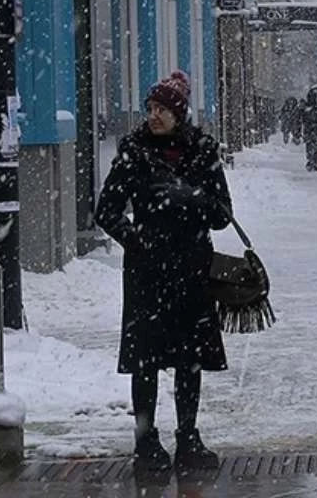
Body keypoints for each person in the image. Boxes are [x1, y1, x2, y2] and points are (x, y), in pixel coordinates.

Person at [94, 70, 231, 475]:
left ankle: (188, 437)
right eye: (150, 109)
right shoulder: (133, 151)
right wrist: (136, 240)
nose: (154, 116)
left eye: (162, 110)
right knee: (145, 361)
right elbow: (107, 211)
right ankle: (145, 440)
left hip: (190, 268)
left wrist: (193, 199)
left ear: (179, 113)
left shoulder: (202, 151)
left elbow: (224, 214)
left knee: (189, 360)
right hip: (147, 273)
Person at [300, 89, 317, 171]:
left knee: (315, 147)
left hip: (315, 130)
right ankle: (311, 161)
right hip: (310, 130)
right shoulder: (307, 107)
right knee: (310, 146)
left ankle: (313, 162)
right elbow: (302, 119)